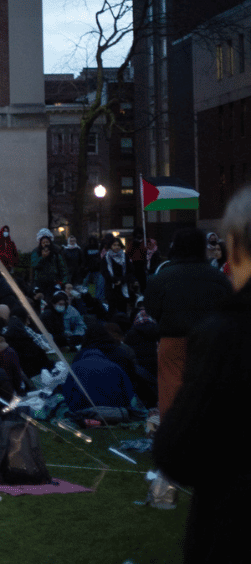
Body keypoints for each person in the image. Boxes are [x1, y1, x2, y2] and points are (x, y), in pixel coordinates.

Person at [154, 184, 251, 563]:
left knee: (171, 391)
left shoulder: (229, 334)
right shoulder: (214, 285)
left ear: (236, 245)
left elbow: (176, 451)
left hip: (232, 524)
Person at [144, 227, 232, 414]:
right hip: (210, 341)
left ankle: (174, 433)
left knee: (172, 390)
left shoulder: (161, 278)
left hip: (173, 339)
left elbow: (152, 309)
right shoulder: (218, 277)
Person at [103, 237, 134, 316]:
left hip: (122, 287)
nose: (116, 247)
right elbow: (104, 272)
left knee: (122, 310)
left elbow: (130, 271)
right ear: (110, 246)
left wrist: (122, 280)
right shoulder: (106, 257)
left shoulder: (125, 257)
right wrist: (114, 280)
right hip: (111, 287)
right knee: (112, 310)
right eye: (114, 245)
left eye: (118, 245)